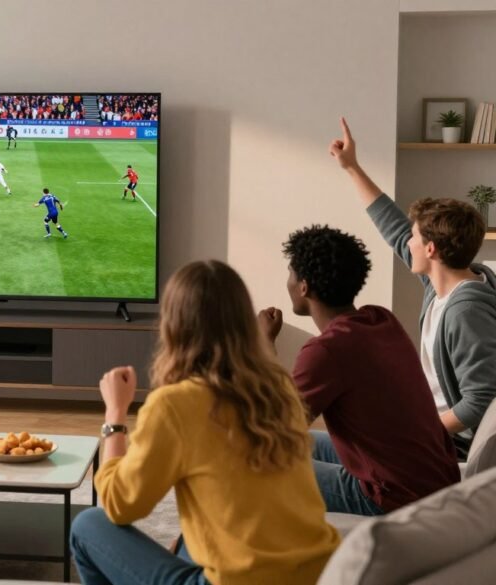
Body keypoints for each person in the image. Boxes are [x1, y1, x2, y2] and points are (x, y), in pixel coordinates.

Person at [70, 260, 340, 585]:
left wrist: (115, 413)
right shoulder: (278, 387)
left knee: (88, 526)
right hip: (317, 575)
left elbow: (119, 505)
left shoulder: (175, 405)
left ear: (173, 325)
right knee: (188, 534)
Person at [259, 225, 459, 516]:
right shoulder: (381, 319)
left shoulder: (326, 351)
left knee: (250, 460)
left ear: (303, 287)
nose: (287, 282)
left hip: (395, 496)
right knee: (311, 443)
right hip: (435, 480)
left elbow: (270, 429)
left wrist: (265, 345)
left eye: (291, 274)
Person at [330, 117, 496, 458]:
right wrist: (352, 168)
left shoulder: (466, 310)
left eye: (415, 238)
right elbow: (391, 225)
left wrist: (415, 434)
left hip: (450, 447)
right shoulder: (442, 284)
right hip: (426, 428)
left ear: (431, 250)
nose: (408, 241)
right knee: (323, 444)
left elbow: (481, 398)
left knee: (322, 456)